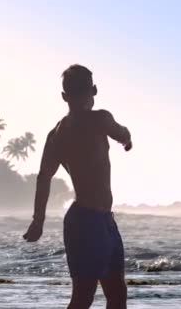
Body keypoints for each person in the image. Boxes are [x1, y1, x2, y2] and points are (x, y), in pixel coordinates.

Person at [23, 64, 132, 309]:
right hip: (88, 222)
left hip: (97, 220)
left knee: (113, 294)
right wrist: (127, 141)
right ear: (93, 90)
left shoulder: (57, 134)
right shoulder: (100, 119)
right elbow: (122, 133)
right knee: (90, 296)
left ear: (64, 96)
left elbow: (44, 178)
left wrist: (38, 220)